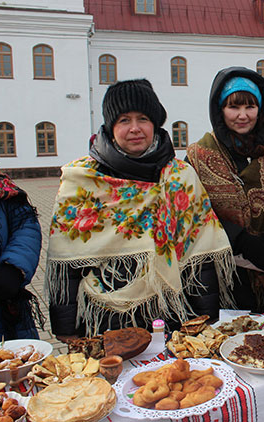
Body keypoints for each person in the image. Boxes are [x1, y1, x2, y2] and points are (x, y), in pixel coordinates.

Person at [46, 79, 234, 338]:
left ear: (155, 124)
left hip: (171, 314)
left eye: (143, 119)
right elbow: (66, 265)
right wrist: (66, 330)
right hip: (103, 318)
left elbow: (200, 258)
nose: (134, 128)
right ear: (110, 126)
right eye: (124, 120)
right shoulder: (82, 180)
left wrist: (207, 318)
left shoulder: (180, 177)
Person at [186, 67, 264, 313]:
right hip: (226, 277)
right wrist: (240, 239)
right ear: (219, 109)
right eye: (233, 107)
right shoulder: (199, 156)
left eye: (250, 106)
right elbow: (192, 212)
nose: (243, 115)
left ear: (261, 108)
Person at [0, 166, 42, 341]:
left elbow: (25, 226)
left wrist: (14, 267)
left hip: (4, 301)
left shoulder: (2, 186)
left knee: (14, 355)